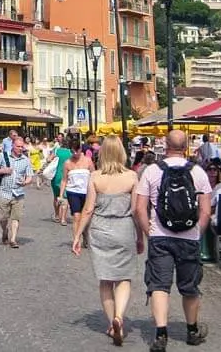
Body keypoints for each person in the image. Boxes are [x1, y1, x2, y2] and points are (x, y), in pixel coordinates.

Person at [134, 129, 212, 351]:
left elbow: (139, 208)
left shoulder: (151, 171)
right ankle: (192, 330)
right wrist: (197, 233)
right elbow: (206, 211)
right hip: (189, 237)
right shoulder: (198, 172)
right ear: (186, 147)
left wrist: (150, 233)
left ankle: (161, 333)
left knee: (159, 284)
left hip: (160, 236)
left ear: (165, 145)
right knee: (190, 286)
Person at [73, 136, 144, 347]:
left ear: (102, 153)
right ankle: (120, 317)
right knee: (124, 278)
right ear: (122, 152)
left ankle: (113, 322)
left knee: (105, 280)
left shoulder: (95, 176)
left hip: (100, 231)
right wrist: (140, 237)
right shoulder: (132, 176)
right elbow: (135, 211)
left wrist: (77, 235)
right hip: (123, 230)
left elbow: (88, 209)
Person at [0, 136, 33, 248]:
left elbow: (30, 176)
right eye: (18, 146)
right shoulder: (3, 156)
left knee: (16, 217)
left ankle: (13, 239)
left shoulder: (25, 160)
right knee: (3, 218)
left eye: (22, 147)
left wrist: (25, 182)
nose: (20, 148)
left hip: (18, 194)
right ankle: (5, 230)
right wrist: (3, 170)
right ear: (12, 145)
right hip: (4, 192)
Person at [60, 135, 96, 246]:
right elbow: (64, 180)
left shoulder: (88, 161)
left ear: (81, 149)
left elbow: (94, 176)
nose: (75, 153)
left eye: (77, 150)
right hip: (73, 192)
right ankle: (77, 240)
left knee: (87, 217)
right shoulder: (67, 163)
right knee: (76, 216)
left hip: (87, 192)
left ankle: (85, 235)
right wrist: (61, 195)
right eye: (72, 151)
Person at [50, 135, 74, 225]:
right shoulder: (71, 153)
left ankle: (56, 215)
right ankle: (63, 219)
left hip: (56, 176)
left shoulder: (57, 151)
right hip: (67, 176)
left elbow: (48, 159)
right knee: (65, 197)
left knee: (56, 196)